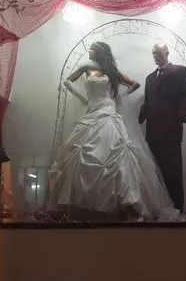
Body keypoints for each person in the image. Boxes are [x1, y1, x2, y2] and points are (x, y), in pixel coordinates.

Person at [49, 41, 176, 220]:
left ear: (100, 52)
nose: (89, 51)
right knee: (82, 154)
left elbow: (135, 84)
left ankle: (123, 205)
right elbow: (67, 81)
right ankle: (82, 208)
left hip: (108, 112)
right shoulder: (86, 67)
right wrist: (82, 98)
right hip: (92, 112)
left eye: (92, 49)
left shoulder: (112, 71)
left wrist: (117, 97)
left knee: (116, 156)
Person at [139, 43, 186, 212]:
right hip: (153, 131)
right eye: (153, 53)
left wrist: (179, 116)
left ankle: (178, 210)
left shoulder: (179, 71)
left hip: (171, 130)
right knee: (155, 173)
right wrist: (141, 116)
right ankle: (161, 210)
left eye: (158, 52)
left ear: (167, 52)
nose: (155, 56)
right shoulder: (149, 78)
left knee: (173, 172)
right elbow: (148, 101)